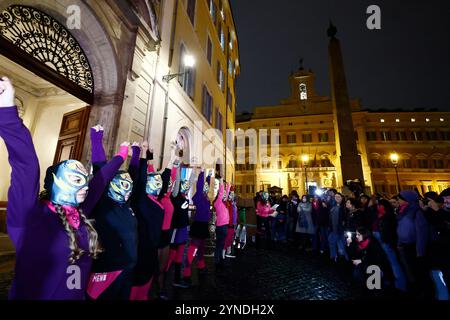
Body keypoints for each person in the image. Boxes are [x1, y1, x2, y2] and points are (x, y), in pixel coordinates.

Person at [0, 76, 128, 299]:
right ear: (54, 183)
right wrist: (8, 114)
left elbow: (100, 180)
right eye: (75, 179)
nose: (85, 186)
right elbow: (27, 166)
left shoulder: (80, 214)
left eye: (84, 180)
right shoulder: (30, 219)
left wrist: (121, 156)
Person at [86, 128, 140, 300]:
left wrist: (137, 154)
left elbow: (133, 176)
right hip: (106, 270)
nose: (128, 190)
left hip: (127, 269)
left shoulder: (127, 204)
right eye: (124, 185)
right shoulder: (102, 202)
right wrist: (96, 139)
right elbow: (100, 171)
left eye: (129, 186)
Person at [129, 142, 177, 299]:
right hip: (142, 247)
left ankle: (158, 289)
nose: (158, 184)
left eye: (159, 183)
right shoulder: (140, 199)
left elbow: (166, 177)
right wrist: (143, 153)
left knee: (155, 270)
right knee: (139, 280)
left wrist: (172, 159)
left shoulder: (159, 197)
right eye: (154, 182)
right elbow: (142, 178)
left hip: (156, 242)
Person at [396, 190, 431, 298]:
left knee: (418, 272)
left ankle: (423, 293)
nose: (398, 200)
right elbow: (401, 228)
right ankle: (415, 289)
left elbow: (422, 231)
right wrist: (400, 242)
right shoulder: (402, 211)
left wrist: (419, 251)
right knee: (410, 270)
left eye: (399, 198)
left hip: (414, 246)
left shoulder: (416, 211)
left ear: (406, 200)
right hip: (405, 245)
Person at [371, 198, 407, 292]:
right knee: (384, 261)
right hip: (379, 240)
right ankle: (388, 279)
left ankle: (400, 284)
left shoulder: (389, 216)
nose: (377, 206)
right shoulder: (378, 215)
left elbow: (391, 231)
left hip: (386, 241)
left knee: (393, 262)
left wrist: (389, 241)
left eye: (379, 205)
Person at [183, 168, 212, 284]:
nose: (205, 188)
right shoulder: (199, 197)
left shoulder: (205, 196)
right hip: (199, 225)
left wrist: (209, 176)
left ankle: (201, 266)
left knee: (201, 248)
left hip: (204, 225)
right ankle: (186, 272)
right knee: (193, 249)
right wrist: (202, 173)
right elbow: (200, 186)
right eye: (204, 187)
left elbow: (205, 186)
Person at [346, 226, 395, 293]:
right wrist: (349, 244)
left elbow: (376, 258)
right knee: (357, 273)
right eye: (356, 234)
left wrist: (361, 261)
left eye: (358, 235)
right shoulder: (358, 243)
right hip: (365, 265)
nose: (356, 236)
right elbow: (352, 255)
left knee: (372, 275)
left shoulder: (373, 243)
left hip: (377, 267)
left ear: (364, 235)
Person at [167, 166, 193, 288]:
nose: (187, 188)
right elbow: (177, 182)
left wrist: (198, 171)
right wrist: (176, 168)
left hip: (183, 229)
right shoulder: (175, 196)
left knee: (180, 255)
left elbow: (191, 182)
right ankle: (163, 278)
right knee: (170, 255)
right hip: (176, 229)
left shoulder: (185, 196)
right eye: (185, 186)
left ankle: (177, 279)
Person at [422, 191, 450, 300]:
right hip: (442, 254)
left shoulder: (442, 212)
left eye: (448, 198)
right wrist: (426, 210)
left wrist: (437, 210)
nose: (446, 200)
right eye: (444, 198)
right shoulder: (440, 212)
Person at [214, 178, 230, 269]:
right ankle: (217, 260)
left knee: (221, 244)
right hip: (221, 226)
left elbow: (225, 195)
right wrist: (221, 184)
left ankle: (219, 258)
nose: (224, 196)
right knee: (219, 244)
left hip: (224, 226)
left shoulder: (223, 203)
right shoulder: (218, 202)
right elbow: (221, 193)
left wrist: (228, 186)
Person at [328, 193, 348, 262]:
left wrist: (344, 227)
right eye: (336, 197)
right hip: (333, 228)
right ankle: (334, 256)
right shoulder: (334, 206)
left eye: (338, 196)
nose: (337, 198)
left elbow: (345, 218)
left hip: (340, 229)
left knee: (341, 244)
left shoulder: (344, 206)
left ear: (342, 198)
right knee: (332, 242)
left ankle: (344, 258)